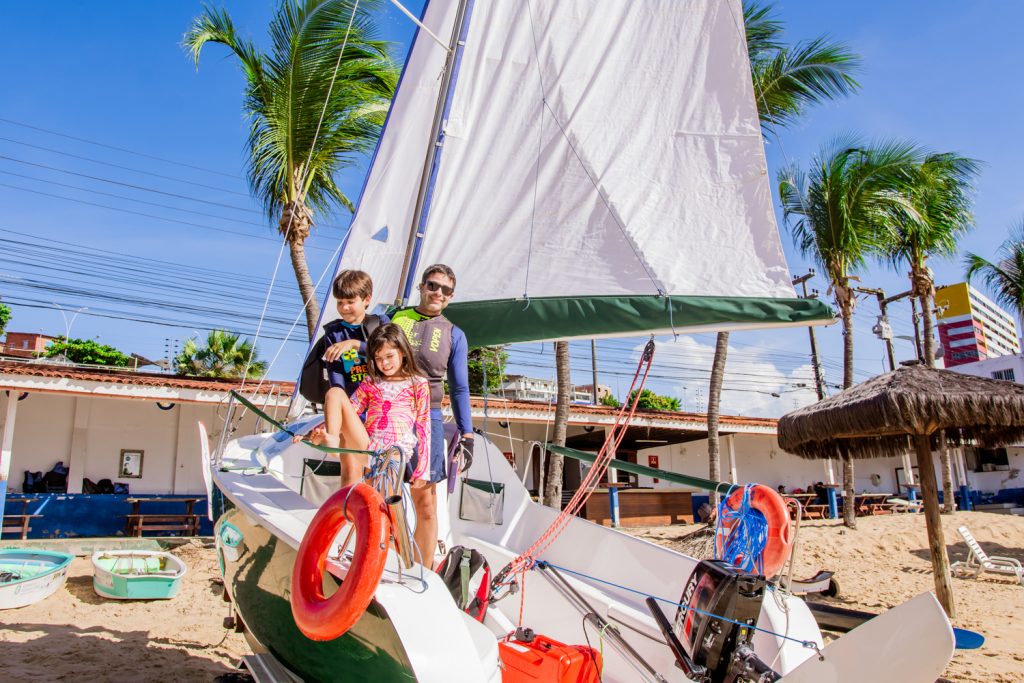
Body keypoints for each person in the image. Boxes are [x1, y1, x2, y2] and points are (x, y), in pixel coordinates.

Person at [391, 264, 473, 568]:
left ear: (451, 297)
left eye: (445, 290)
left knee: (424, 500)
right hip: (390, 414)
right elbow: (371, 358)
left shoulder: (454, 334)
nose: (438, 292)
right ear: (421, 287)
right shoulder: (396, 317)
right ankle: (392, 561)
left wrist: (468, 435)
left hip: (428, 419)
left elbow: (460, 388)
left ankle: (422, 570)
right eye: (432, 285)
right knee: (385, 493)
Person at [307, 323, 433, 486]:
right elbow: (350, 409)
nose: (384, 363)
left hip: (393, 453)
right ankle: (331, 439)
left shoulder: (418, 384)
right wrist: (318, 431)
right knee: (335, 393)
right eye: (378, 358)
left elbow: (424, 426)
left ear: (402, 352)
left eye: (389, 356)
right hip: (366, 446)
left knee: (381, 504)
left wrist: (423, 469)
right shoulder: (371, 382)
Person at [308, 269, 388, 485]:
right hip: (352, 410)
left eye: (350, 301)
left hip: (379, 411)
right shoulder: (334, 333)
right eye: (340, 302)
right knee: (350, 473)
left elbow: (391, 353)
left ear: (366, 299)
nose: (344, 307)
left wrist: (355, 345)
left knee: (374, 475)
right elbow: (336, 378)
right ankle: (349, 519)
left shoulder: (380, 323)